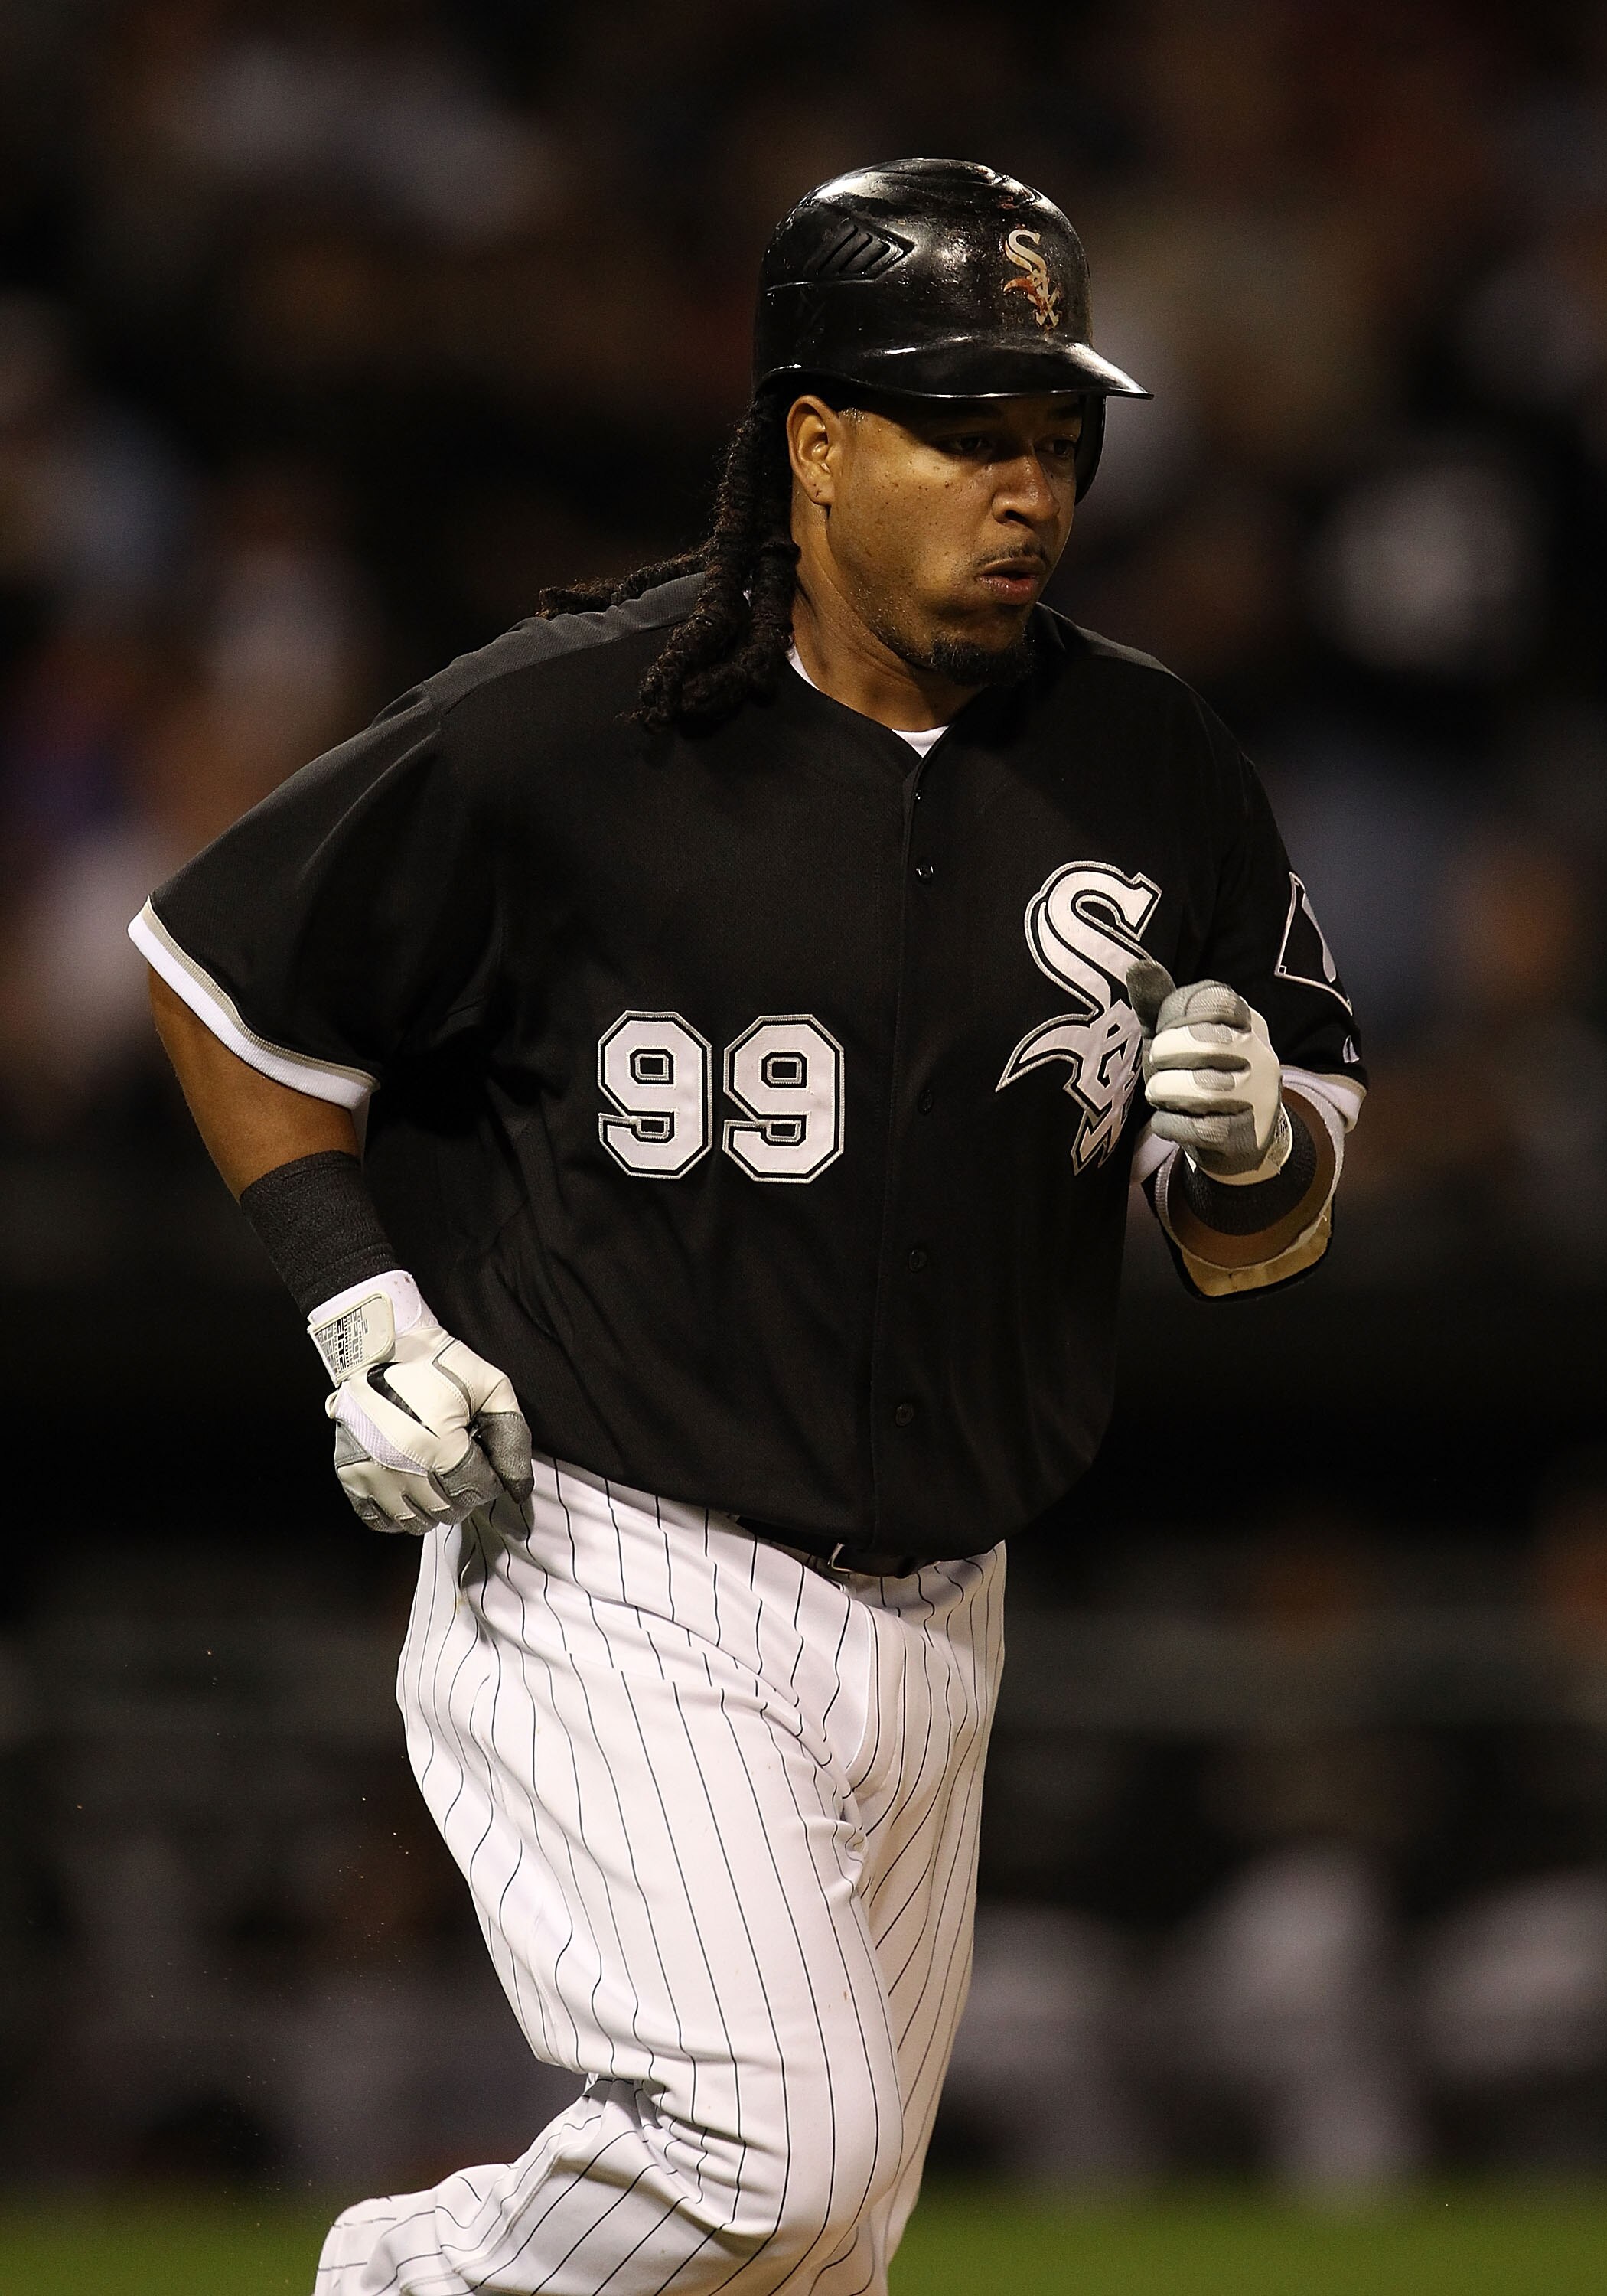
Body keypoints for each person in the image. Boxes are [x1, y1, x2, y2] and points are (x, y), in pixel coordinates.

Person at [134, 158, 1364, 2296]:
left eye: (1054, 436)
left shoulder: (1149, 761)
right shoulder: (575, 724)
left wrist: (1263, 1147)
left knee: (820, 2255)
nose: (1027, 490)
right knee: (767, 2162)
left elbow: (1262, 1231)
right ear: (813, 443)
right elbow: (218, 979)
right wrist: (361, 1312)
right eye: (962, 432)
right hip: (614, 1555)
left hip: (945, 1609)